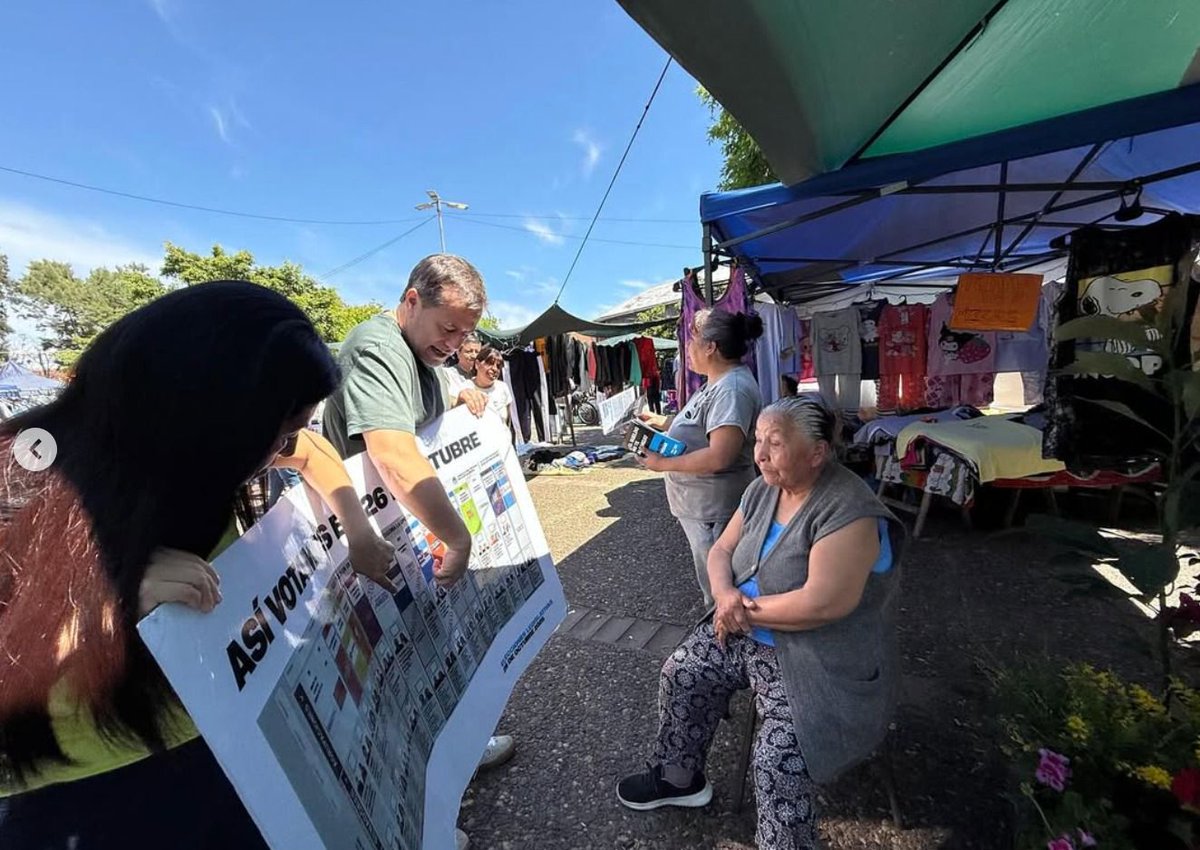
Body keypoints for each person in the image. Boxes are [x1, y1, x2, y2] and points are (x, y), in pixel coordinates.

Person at [0, 281, 397, 848]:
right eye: (274, 434)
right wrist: (99, 606)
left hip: (219, 738)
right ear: (200, 417)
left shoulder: (213, 456)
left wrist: (357, 529)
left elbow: (313, 454)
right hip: (82, 791)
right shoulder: (22, 477)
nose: (278, 454)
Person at [616, 395, 905, 850]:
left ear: (817, 452)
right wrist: (725, 594)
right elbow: (721, 551)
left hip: (817, 654)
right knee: (683, 670)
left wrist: (736, 611)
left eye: (775, 443)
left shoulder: (847, 509)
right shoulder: (762, 489)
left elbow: (823, 604)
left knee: (775, 759)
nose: (760, 454)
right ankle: (679, 778)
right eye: (758, 440)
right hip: (746, 631)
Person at [322, 254, 513, 850]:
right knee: (387, 686)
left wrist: (461, 400)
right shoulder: (378, 346)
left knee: (433, 651)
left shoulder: (425, 358)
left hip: (400, 534)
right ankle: (418, 824)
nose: (456, 342)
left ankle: (456, 752)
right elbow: (393, 454)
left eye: (467, 332)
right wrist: (459, 536)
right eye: (448, 328)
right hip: (358, 542)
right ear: (410, 301)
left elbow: (424, 406)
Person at [637, 309, 764, 606]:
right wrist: (662, 421)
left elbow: (721, 455)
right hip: (701, 507)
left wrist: (662, 464)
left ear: (711, 346)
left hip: (713, 510)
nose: (688, 351)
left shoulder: (731, 389)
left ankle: (725, 639)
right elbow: (699, 425)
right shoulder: (716, 383)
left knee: (722, 590)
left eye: (692, 343)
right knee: (716, 583)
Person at [471, 345, 515, 431]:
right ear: (477, 364)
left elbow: (508, 422)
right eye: (490, 363)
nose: (495, 369)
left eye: (498, 366)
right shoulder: (466, 388)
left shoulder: (503, 388)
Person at [445, 332, 483, 400]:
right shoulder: (447, 374)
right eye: (469, 351)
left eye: (477, 352)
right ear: (458, 352)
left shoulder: (480, 376)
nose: (474, 356)